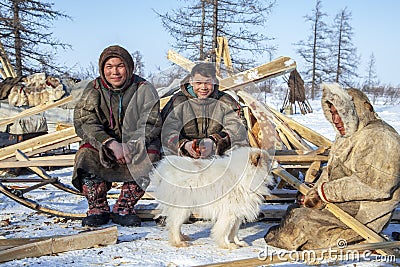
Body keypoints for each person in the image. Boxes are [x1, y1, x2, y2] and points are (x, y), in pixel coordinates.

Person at [264, 83, 400, 250]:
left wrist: (324, 193)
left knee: (297, 228)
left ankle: (361, 241)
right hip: (343, 204)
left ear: (355, 111)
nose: (336, 120)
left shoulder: (381, 138)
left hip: (363, 214)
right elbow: (330, 171)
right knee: (294, 213)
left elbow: (374, 186)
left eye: (340, 113)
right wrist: (313, 191)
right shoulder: (347, 135)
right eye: (333, 113)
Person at [72, 45, 162, 227]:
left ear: (128, 67)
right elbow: (85, 120)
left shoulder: (144, 89)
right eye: (109, 67)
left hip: (134, 144)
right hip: (104, 143)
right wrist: (109, 143)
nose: (115, 72)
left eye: (120, 66)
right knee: (85, 155)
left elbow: (151, 121)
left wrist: (132, 144)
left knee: (152, 154)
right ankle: (98, 206)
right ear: (102, 68)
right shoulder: (94, 88)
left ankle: (124, 206)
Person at [160, 62, 249, 158]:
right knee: (164, 151)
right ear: (191, 81)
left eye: (207, 83)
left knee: (240, 147)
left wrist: (214, 141)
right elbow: (167, 129)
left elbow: (237, 128)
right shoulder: (177, 101)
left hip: (217, 151)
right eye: (198, 83)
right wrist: (185, 144)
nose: (203, 87)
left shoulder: (225, 101)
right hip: (184, 152)